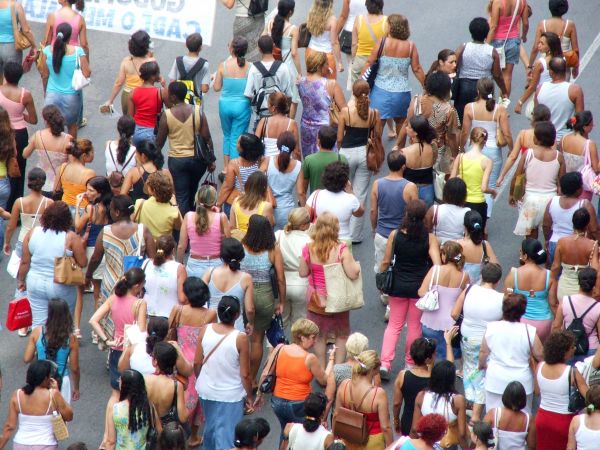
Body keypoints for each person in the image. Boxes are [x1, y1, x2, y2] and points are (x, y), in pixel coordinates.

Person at [379, 200, 441, 380]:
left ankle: (385, 363)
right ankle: (410, 362)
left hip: (397, 285)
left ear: (406, 214)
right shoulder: (429, 238)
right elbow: (437, 265)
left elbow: (385, 261)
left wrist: (382, 276)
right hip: (419, 288)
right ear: (424, 218)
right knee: (414, 326)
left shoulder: (395, 234)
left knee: (394, 325)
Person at [299, 212, 361, 366]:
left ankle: (321, 366)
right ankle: (337, 366)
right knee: (341, 334)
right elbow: (353, 274)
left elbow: (302, 272)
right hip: (338, 299)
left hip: (316, 300)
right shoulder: (341, 249)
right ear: (335, 229)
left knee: (319, 336)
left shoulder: (308, 248)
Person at [256, 318, 334, 439]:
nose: (315, 341)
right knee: (301, 437)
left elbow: (265, 373)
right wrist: (331, 360)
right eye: (313, 337)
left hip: (277, 402)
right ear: (302, 337)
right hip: (299, 405)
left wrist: (259, 394)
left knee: (285, 434)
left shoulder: (280, 348)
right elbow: (324, 379)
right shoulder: (310, 358)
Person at [194, 296, 254, 450]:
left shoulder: (205, 329)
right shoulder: (240, 338)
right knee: (227, 437)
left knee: (210, 429)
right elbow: (245, 374)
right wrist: (249, 396)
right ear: (237, 315)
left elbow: (197, 362)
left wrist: (201, 379)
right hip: (231, 394)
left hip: (206, 390)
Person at [18, 201, 87, 326]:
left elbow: (24, 262)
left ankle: (39, 344)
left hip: (35, 282)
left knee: (38, 323)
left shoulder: (33, 232)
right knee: (64, 323)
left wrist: (21, 280)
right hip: (60, 284)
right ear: (67, 219)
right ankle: (61, 345)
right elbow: (83, 262)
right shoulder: (70, 237)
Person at [451, 263, 503, 422]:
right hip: (486, 340)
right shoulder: (501, 298)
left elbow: (454, 314)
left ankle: (471, 402)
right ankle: (475, 414)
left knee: (469, 368)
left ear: (482, 275)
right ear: (497, 281)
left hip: (466, 336)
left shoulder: (469, 289)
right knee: (482, 373)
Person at [169, 277, 217, 447]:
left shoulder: (178, 310)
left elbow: (170, 332)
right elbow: (212, 338)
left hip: (179, 361)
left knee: (177, 398)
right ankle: (194, 436)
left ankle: (174, 434)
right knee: (197, 402)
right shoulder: (210, 314)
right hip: (200, 363)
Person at [478, 293, 544, 414]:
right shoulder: (529, 331)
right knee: (522, 416)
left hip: (496, 379)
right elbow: (540, 354)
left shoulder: (492, 327)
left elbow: (483, 351)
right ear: (523, 311)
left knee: (494, 414)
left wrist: (481, 364)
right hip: (522, 381)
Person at [156, 81, 214, 216]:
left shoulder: (167, 114)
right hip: (197, 161)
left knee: (181, 196)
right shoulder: (198, 111)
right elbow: (207, 137)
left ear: (173, 97)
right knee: (193, 190)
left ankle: (184, 229)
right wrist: (211, 160)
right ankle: (195, 221)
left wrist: (155, 163)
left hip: (177, 161)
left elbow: (159, 142)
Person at [85, 195, 156, 305]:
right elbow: (153, 260)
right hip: (135, 285)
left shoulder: (106, 231)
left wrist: (88, 275)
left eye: (111, 210)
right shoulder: (143, 230)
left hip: (111, 285)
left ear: (117, 212)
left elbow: (96, 258)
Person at [3, 169, 51, 328]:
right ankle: (38, 317)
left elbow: (11, 226)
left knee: (21, 278)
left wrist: (7, 242)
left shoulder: (20, 202)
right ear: (43, 182)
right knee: (36, 274)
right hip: (40, 242)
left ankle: (23, 323)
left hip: (22, 240)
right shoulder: (49, 203)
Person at [366, 14, 425, 137]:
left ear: (390, 27)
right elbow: (417, 68)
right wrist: (426, 87)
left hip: (380, 92)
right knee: (401, 127)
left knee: (376, 132)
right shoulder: (410, 46)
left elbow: (369, 63)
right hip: (401, 93)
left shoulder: (382, 42)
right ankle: (399, 151)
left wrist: (360, 83)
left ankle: (376, 155)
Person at [241, 215, 285, 378]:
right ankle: (252, 377)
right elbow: (280, 278)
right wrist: (281, 301)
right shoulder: (273, 250)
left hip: (244, 295)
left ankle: (242, 374)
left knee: (242, 337)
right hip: (265, 297)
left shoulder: (242, 246)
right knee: (257, 340)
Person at [460, 79, 512, 218]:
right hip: (493, 150)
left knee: (471, 181)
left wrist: (460, 147)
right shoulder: (499, 109)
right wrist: (512, 149)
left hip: (474, 147)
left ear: (478, 91)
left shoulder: (469, 107)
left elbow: (465, 131)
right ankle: (485, 217)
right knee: (490, 183)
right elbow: (506, 133)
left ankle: (470, 213)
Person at [89, 268, 147, 392]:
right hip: (133, 350)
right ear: (137, 286)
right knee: (133, 393)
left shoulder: (113, 299)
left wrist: (106, 340)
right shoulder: (139, 303)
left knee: (116, 392)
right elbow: (142, 331)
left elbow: (93, 320)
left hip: (116, 348)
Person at [338, 80, 381, 242]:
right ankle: (355, 235)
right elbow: (376, 135)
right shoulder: (374, 113)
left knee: (343, 190)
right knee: (360, 193)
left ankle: (341, 230)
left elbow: (340, 137)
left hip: (347, 153)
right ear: (368, 92)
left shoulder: (345, 112)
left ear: (353, 94)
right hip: (364, 153)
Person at [396, 71, 459, 177]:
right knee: (437, 183)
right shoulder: (449, 110)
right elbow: (451, 137)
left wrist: (398, 145)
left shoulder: (416, 101)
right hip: (437, 152)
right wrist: (456, 155)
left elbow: (406, 124)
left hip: (416, 148)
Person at [0, 360, 73, 449]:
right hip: (45, 444)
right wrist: (57, 391)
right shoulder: (53, 394)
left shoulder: (18, 394)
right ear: (46, 378)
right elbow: (69, 416)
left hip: (21, 443)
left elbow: (9, 426)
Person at [511, 122, 565, 238]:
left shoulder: (528, 154)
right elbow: (562, 182)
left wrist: (512, 194)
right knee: (550, 234)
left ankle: (531, 254)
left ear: (539, 139)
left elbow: (517, 176)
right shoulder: (558, 156)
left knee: (530, 234)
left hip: (530, 200)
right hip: (551, 200)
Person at [536, 331, 589, 449]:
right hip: (564, 421)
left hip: (542, 418)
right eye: (571, 347)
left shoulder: (540, 366)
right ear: (563, 351)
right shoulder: (572, 372)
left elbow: (537, 391)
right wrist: (590, 411)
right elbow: (590, 398)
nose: (575, 348)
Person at [370, 150, 418, 279]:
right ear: (403, 166)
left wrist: (374, 229)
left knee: (381, 265)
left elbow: (373, 211)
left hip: (382, 233)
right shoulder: (410, 187)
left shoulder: (377, 184)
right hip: (402, 234)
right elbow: (415, 213)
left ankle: (383, 290)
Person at [418, 241, 470, 359]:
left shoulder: (435, 270)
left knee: (429, 356)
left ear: (444, 255)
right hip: (450, 323)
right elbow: (465, 297)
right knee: (447, 355)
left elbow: (421, 292)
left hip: (430, 320)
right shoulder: (464, 276)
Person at [23, 299, 80, 403]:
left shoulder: (37, 332)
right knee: (61, 416)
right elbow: (74, 368)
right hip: (61, 381)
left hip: (40, 380)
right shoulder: (71, 339)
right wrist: (76, 388)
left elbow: (27, 358)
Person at [38, 23, 90, 138]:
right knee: (72, 126)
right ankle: (71, 152)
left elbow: (44, 74)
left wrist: (45, 91)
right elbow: (87, 73)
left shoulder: (47, 51)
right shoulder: (78, 52)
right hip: (71, 96)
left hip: (51, 95)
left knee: (49, 127)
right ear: (70, 36)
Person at [453, 17, 508, 123]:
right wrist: (504, 91)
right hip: (485, 88)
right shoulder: (492, 51)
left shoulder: (463, 47)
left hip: (463, 88)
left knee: (461, 119)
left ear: (471, 32)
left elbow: (454, 65)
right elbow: (497, 75)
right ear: (487, 34)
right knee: (485, 118)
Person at [335, 350, 394, 448]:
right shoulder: (378, 394)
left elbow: (336, 414)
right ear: (374, 370)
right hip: (372, 440)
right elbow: (386, 427)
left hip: (348, 435)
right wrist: (392, 446)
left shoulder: (344, 385)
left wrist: (335, 436)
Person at [0, 61, 37, 205]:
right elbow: (33, 119)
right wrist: (20, 115)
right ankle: (15, 205)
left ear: (5, 75)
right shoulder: (25, 95)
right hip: (20, 134)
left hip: (2, 131)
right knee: (18, 169)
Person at [505, 238, 556, 342]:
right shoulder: (549, 275)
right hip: (544, 323)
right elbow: (553, 303)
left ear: (525, 256)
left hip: (520, 322)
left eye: (521, 251)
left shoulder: (513, 274)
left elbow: (507, 298)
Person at [298, 51, 346, 158]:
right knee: (329, 162)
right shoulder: (331, 84)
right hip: (326, 130)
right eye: (327, 64)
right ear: (320, 66)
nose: (328, 66)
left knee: (310, 158)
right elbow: (344, 110)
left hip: (306, 127)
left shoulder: (300, 82)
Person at [177, 184, 231, 278]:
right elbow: (228, 243)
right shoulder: (221, 218)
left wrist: (181, 264)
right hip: (217, 266)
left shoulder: (188, 216)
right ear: (214, 200)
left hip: (194, 265)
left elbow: (181, 246)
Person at [412, 360, 468, 449]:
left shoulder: (421, 395)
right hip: (447, 444)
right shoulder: (457, 400)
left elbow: (415, 429)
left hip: (426, 444)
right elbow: (462, 434)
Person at [214, 37, 252, 169]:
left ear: (232, 49)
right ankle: (234, 169)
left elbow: (216, 87)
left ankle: (226, 168)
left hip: (225, 105)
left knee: (227, 135)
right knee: (237, 137)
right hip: (242, 106)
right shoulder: (250, 67)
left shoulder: (223, 66)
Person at [544, 173, 597, 265]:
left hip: (555, 243)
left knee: (557, 275)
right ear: (578, 189)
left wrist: (547, 240)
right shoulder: (585, 204)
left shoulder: (553, 201)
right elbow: (594, 230)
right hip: (577, 246)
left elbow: (546, 225)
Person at [306, 161, 364, 244]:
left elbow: (305, 216)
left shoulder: (316, 194)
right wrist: (351, 192)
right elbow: (360, 213)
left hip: (321, 240)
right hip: (343, 241)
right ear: (345, 181)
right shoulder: (351, 199)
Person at [202, 238, 254, 330]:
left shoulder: (210, 272)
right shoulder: (246, 278)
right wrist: (251, 323)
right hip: (236, 325)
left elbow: (200, 297)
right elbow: (249, 309)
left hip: (212, 323)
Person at [244, 35, 293, 130]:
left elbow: (248, 94)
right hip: (280, 114)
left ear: (259, 49)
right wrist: (287, 111)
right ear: (273, 46)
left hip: (261, 116)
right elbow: (289, 95)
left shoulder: (254, 68)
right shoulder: (283, 67)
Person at [102, 30, 156, 116]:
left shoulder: (126, 61)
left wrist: (110, 100)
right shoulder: (152, 61)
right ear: (147, 46)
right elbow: (155, 79)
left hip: (127, 95)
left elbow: (119, 83)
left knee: (128, 123)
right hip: (145, 95)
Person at [550, 208, 599, 302]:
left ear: (572, 222)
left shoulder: (561, 242)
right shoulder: (592, 244)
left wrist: (551, 284)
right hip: (583, 290)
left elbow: (555, 267)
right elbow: (595, 269)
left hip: (564, 287)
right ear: (587, 225)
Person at [263, 0, 302, 118]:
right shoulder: (293, 29)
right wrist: (299, 73)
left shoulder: (270, 24)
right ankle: (288, 126)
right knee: (292, 99)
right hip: (288, 66)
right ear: (290, 12)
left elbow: (262, 40)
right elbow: (294, 53)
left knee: (275, 96)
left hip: (273, 66)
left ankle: (274, 122)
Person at [451, 128, 495, 231]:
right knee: (477, 234)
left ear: (471, 139)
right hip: (478, 202)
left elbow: (451, 180)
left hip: (462, 201)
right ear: (485, 141)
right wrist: (493, 191)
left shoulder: (460, 157)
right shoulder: (487, 161)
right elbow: (484, 188)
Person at [117, 316, 192, 377]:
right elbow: (188, 372)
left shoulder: (134, 348)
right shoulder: (171, 350)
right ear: (167, 334)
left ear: (147, 330)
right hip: (162, 393)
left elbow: (121, 368)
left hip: (137, 391)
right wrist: (178, 350)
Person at [497, 103, 551, 187]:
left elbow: (513, 157)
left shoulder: (524, 134)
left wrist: (502, 175)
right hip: (544, 175)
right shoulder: (550, 136)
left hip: (525, 174)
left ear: (533, 117)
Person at [552, 267, 600, 360]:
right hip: (591, 348)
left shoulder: (565, 301)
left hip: (569, 347)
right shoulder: (598, 307)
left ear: (579, 282)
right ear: (594, 285)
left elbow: (556, 327)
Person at [392, 337, 436, 436]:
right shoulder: (434, 380)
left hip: (408, 421)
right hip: (428, 424)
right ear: (428, 359)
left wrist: (396, 419)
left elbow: (396, 403)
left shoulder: (403, 375)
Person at [275, 207, 311, 329]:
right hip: (301, 284)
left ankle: (278, 347)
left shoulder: (278, 235)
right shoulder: (308, 241)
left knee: (280, 322)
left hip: (281, 283)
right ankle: (297, 347)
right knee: (300, 324)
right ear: (303, 225)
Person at [535, 57, 584, 145]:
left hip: (545, 140)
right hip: (566, 141)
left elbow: (536, 116)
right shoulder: (575, 90)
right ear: (565, 70)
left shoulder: (540, 89)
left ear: (551, 72)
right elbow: (580, 119)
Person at [216, 133, 268, 214]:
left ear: (243, 149)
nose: (236, 144)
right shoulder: (261, 160)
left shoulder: (234, 164)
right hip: (255, 202)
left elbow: (227, 187)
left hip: (236, 202)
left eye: (238, 143)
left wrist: (218, 205)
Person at [325, 332, 375, 415]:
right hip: (361, 417)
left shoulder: (337, 370)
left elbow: (329, 399)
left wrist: (323, 419)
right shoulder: (370, 369)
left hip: (339, 417)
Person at [486, 0, 528, 98]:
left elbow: (493, 26)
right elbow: (525, 23)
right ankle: (503, 105)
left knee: (490, 74)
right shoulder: (521, 2)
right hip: (513, 41)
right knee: (507, 76)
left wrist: (486, 46)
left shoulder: (498, 2)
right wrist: (524, 36)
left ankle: (488, 102)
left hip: (497, 41)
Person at [515, 31, 563, 116]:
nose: (539, 45)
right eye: (539, 42)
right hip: (557, 96)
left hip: (542, 98)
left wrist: (520, 102)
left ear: (550, 47)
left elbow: (532, 87)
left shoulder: (540, 63)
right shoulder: (562, 60)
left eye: (542, 43)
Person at [528, 0, 580, 79]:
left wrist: (530, 66)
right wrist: (576, 67)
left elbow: (535, 48)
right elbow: (575, 50)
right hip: (563, 65)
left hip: (546, 65)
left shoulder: (542, 24)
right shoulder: (570, 25)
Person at [104, 369, 154, 450]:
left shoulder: (116, 409)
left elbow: (110, 441)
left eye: (120, 381)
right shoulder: (148, 406)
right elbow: (158, 430)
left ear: (124, 386)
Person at [144, 342, 189, 428]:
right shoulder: (176, 385)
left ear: (155, 361)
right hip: (167, 430)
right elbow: (183, 417)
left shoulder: (144, 379)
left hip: (147, 427)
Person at [266, 131, 304, 231]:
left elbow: (258, 179)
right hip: (287, 210)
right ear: (293, 147)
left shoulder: (267, 161)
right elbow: (301, 192)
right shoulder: (298, 165)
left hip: (268, 208)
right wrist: (304, 210)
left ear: (278, 145)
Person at [483, 381, 535, 450]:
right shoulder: (528, 420)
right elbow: (532, 446)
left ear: (505, 396)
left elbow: (481, 436)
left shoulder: (493, 413)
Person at [400, 114, 438, 209]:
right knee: (427, 219)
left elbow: (400, 173)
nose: (406, 128)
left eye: (409, 127)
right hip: (428, 188)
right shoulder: (433, 147)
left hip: (409, 188)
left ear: (416, 132)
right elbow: (434, 161)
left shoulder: (405, 152)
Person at [143, 235, 186, 318]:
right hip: (170, 315)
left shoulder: (146, 263)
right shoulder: (179, 268)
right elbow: (182, 298)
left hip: (147, 312)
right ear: (173, 250)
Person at [128, 61, 168, 147]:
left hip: (136, 131)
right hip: (151, 132)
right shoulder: (161, 92)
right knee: (151, 159)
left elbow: (130, 117)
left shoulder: (133, 92)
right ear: (153, 76)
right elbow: (171, 108)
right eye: (158, 73)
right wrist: (164, 85)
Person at [133, 172, 182, 240]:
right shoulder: (173, 211)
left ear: (152, 190)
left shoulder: (140, 204)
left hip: (144, 246)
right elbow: (179, 227)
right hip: (163, 248)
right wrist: (175, 205)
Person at [350, 0, 388, 88]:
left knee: (357, 92)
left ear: (367, 5)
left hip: (360, 60)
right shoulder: (386, 21)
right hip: (378, 62)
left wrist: (353, 60)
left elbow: (354, 44)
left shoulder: (359, 19)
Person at [55, 139, 96, 217]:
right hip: (81, 210)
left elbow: (56, 189)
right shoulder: (89, 173)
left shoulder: (63, 167)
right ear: (84, 156)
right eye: (92, 152)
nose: (93, 154)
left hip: (64, 208)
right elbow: (93, 196)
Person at [302, 125, 348, 195]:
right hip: (338, 202)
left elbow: (304, 188)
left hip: (317, 202)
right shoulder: (342, 159)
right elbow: (346, 185)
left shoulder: (309, 160)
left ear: (318, 141)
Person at [457, 210, 499, 283]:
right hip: (478, 287)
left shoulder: (456, 244)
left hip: (460, 284)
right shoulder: (484, 245)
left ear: (465, 227)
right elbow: (496, 268)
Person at [255, 92, 300, 159]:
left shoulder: (264, 122)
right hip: (286, 164)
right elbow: (296, 151)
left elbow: (255, 145)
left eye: (268, 104)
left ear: (273, 108)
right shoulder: (292, 123)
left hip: (267, 164)